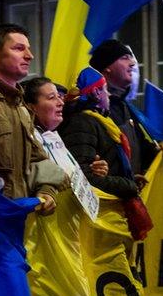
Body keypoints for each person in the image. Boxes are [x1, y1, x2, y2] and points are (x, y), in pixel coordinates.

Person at [0, 24, 56, 213]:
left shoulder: (21, 108)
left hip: (16, 217)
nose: (29, 56)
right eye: (18, 48)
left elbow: (37, 158)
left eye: (28, 49)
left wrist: (47, 191)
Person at [58, 67, 151, 240]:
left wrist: (130, 178)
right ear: (96, 92)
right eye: (106, 89)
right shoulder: (82, 123)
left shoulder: (99, 122)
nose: (108, 95)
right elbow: (83, 178)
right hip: (99, 222)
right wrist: (127, 185)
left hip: (111, 217)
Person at [89, 39, 163, 169]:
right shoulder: (92, 109)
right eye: (125, 58)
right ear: (107, 67)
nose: (133, 63)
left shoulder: (124, 107)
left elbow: (142, 150)